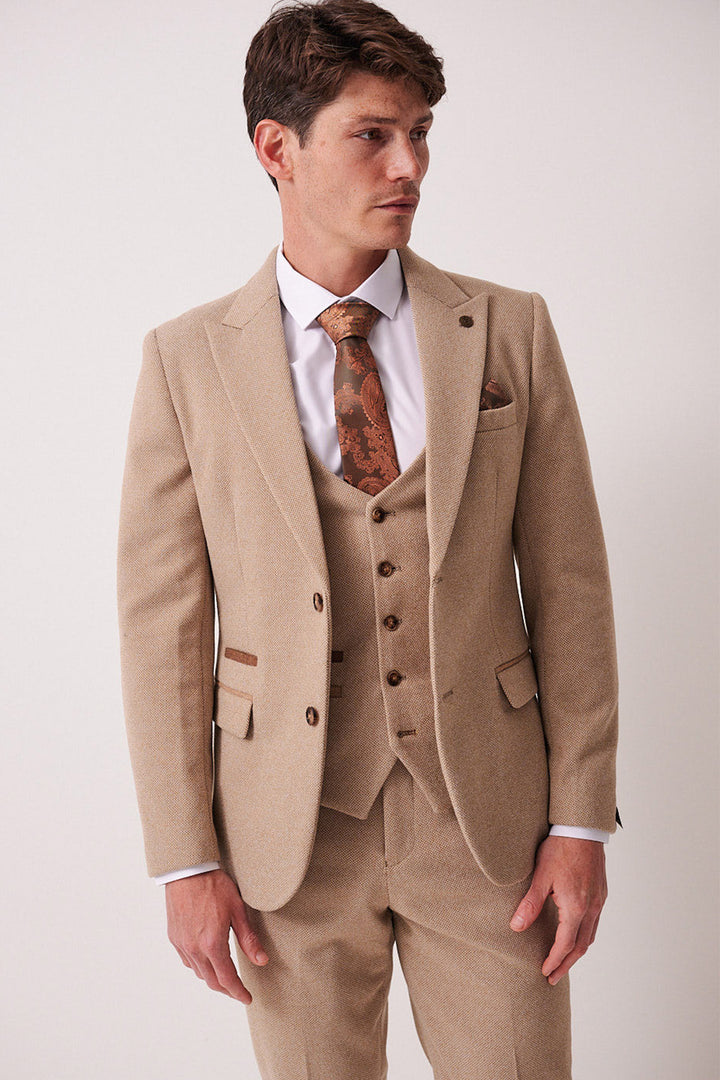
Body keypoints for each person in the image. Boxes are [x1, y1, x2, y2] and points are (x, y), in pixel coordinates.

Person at [116, 1, 621, 1076]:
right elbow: (164, 625)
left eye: (421, 133)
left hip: (490, 830)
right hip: (285, 838)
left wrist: (580, 823)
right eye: (373, 135)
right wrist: (183, 858)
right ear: (277, 148)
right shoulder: (188, 360)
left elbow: (571, 587)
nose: (410, 167)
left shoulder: (509, 330)